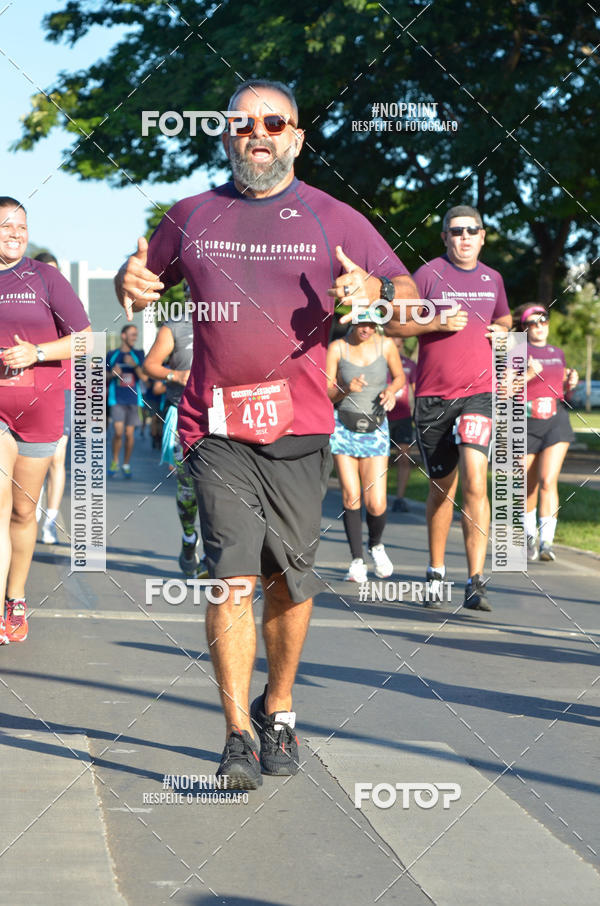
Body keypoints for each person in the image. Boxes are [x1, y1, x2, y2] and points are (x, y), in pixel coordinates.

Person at [115, 79, 418, 788]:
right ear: (225, 135)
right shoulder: (190, 215)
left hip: (302, 428)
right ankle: (237, 735)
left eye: (274, 122)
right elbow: (142, 281)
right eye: (243, 123)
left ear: (297, 138)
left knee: (289, 581)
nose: (258, 132)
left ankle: (277, 707)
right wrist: (131, 283)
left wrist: (376, 294)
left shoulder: (334, 218)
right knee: (232, 577)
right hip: (215, 426)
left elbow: (408, 300)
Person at [386, 205, 512, 611]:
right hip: (433, 398)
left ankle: (475, 580)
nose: (464, 237)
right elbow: (393, 324)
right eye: (456, 231)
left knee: (476, 479)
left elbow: (505, 319)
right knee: (443, 488)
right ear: (445, 237)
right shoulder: (427, 275)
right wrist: (436, 323)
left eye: (472, 230)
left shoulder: (493, 278)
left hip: (480, 394)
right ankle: (436, 571)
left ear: (483, 236)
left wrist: (502, 331)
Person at [0, 198, 90, 643]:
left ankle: (15, 598)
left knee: (22, 511)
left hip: (41, 409)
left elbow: (86, 340)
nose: (15, 233)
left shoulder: (45, 277)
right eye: (5, 226)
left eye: (21, 226)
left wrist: (35, 353)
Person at [326, 313, 405, 582]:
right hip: (344, 426)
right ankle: (357, 560)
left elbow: (399, 377)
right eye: (362, 323)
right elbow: (326, 392)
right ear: (353, 321)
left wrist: (391, 390)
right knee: (351, 496)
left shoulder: (386, 345)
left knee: (377, 502)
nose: (367, 329)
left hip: (376, 427)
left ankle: (376, 545)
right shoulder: (338, 348)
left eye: (372, 324)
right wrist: (346, 388)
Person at [143, 313, 206, 577]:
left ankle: (212, 553)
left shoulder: (232, 320)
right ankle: (189, 538)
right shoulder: (176, 325)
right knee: (188, 488)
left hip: (222, 417)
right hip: (184, 416)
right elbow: (150, 365)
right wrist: (175, 375)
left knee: (219, 489)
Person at [515, 304, 578, 562]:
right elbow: (504, 389)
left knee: (548, 480)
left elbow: (564, 392)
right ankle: (530, 536)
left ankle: (547, 543)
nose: (540, 326)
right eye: (533, 322)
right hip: (525, 422)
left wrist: (571, 383)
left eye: (544, 320)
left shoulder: (557, 352)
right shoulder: (515, 352)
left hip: (555, 420)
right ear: (524, 328)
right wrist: (529, 374)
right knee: (527, 485)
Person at [32, 252, 71, 545]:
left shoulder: (68, 305)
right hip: (28, 389)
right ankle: (30, 506)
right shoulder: (22, 304)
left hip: (63, 388)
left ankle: (50, 521)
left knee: (57, 458)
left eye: (54, 272)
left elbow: (84, 342)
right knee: (31, 459)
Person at [106, 324, 145, 478]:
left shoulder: (139, 354)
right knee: (118, 432)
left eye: (136, 335)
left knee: (129, 435)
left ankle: (126, 464)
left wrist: (135, 366)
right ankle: (115, 461)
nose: (135, 337)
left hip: (133, 399)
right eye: (132, 334)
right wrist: (112, 374)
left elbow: (145, 377)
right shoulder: (112, 354)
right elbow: (103, 376)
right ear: (123, 336)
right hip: (117, 399)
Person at [387, 337, 417, 513]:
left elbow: (415, 390)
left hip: (403, 416)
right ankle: (377, 497)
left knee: (404, 458)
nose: (395, 337)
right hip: (382, 417)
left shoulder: (410, 364)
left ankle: (400, 498)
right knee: (380, 459)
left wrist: (418, 414)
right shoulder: (380, 361)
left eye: (398, 335)